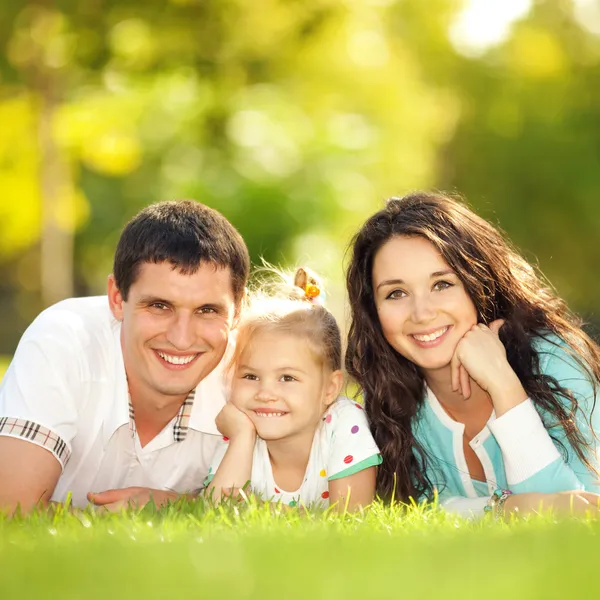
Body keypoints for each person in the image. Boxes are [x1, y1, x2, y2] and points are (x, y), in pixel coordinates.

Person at [345, 191, 600, 518]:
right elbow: (407, 514)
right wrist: (504, 509)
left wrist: (506, 388)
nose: (422, 313)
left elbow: (582, 516)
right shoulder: (386, 397)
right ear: (373, 311)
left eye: (442, 284)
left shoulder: (555, 360)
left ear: (477, 281)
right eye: (396, 293)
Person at [0, 200, 249, 513]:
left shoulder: (253, 375)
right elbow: (10, 507)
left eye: (207, 310)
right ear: (117, 298)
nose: (181, 338)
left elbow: (297, 505)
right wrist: (104, 517)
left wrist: (174, 505)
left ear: (238, 312)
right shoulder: (63, 339)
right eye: (159, 306)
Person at [205, 269, 381, 511]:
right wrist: (242, 437)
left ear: (329, 389)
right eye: (250, 376)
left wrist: (258, 509)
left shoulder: (342, 423)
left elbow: (349, 520)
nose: (265, 393)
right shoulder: (241, 429)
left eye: (287, 377)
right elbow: (218, 511)